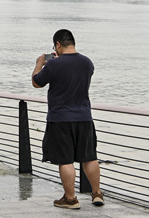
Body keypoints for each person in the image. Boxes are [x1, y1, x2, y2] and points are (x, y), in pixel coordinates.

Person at [32, 29, 104, 209]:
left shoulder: (53, 65)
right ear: (72, 42)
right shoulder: (87, 63)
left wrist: (39, 63)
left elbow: (37, 82)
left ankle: (70, 199)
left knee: (65, 159)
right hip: (84, 117)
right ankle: (97, 194)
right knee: (89, 157)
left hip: (60, 118)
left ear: (57, 45)